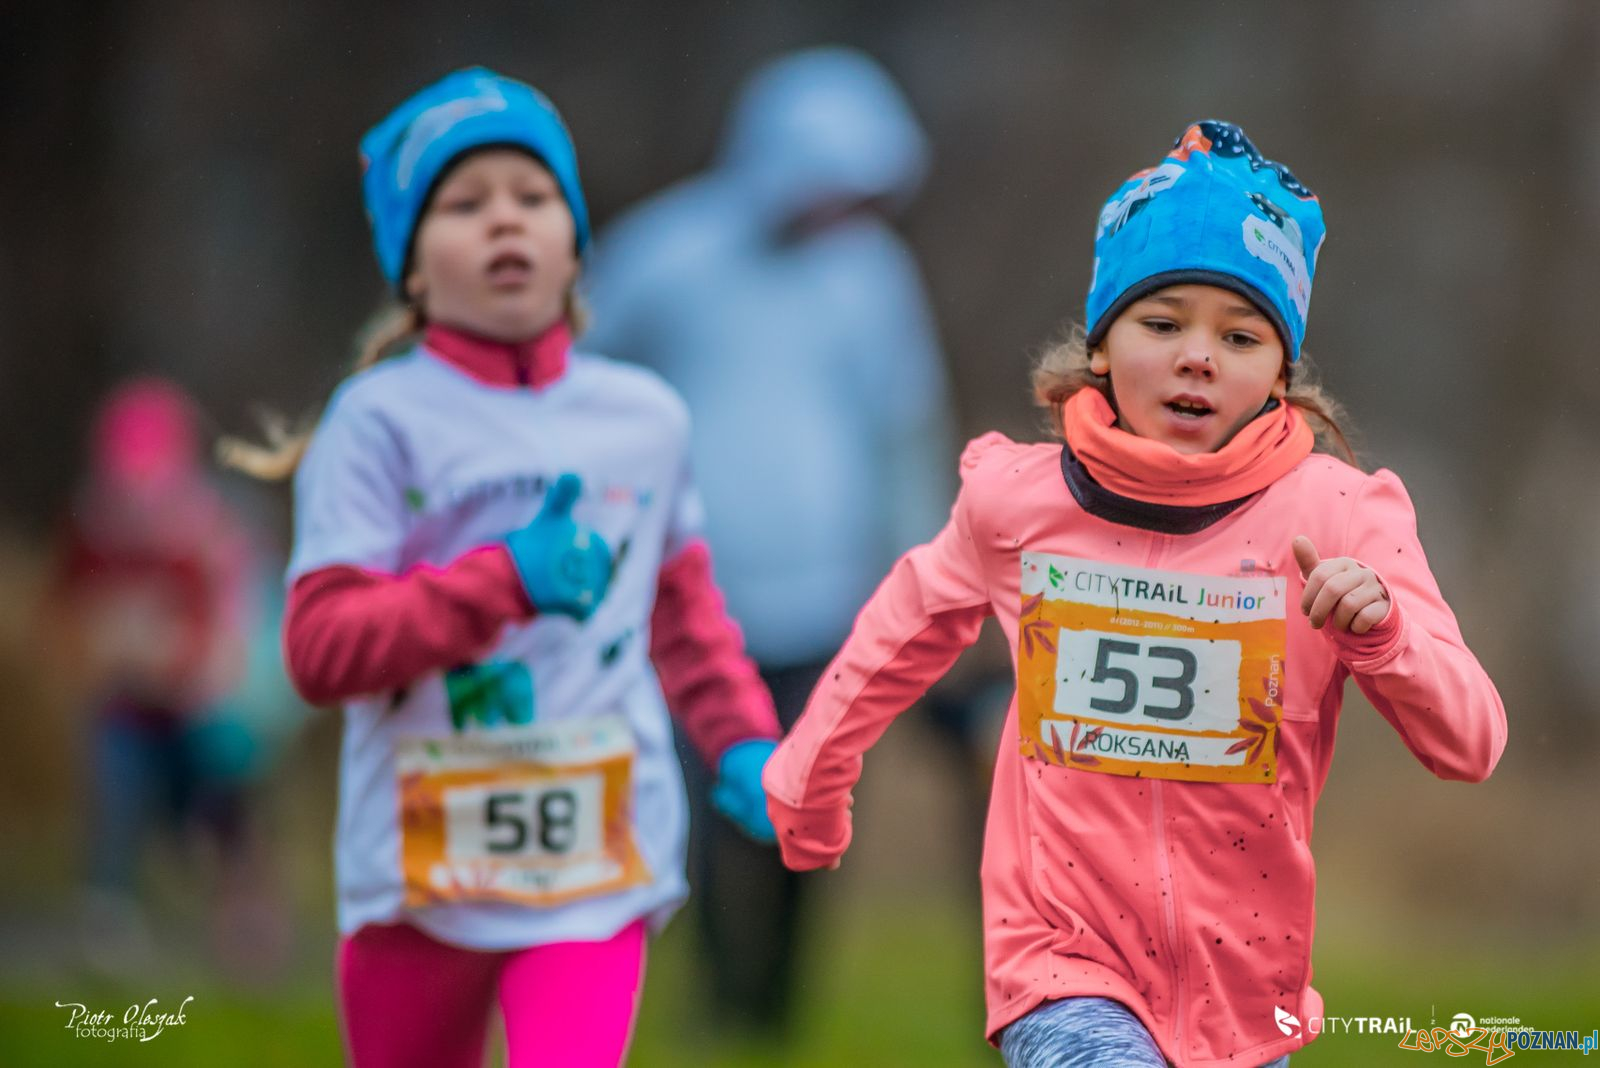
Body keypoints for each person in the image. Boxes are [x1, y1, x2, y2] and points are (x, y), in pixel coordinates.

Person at [762, 120, 1507, 1068]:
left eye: (1240, 335)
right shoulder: (1017, 505)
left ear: (1282, 372)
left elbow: (1472, 741)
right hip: (1058, 962)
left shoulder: (1339, 518)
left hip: (1247, 994)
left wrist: (1384, 636)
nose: (1199, 356)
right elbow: (901, 627)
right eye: (1163, 323)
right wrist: (809, 781)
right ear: (1102, 346)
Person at [221, 67, 780, 1067]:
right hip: (417, 872)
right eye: (464, 204)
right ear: (412, 265)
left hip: (593, 864)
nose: (504, 223)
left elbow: (685, 615)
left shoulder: (644, 419)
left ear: (574, 243)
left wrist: (742, 742)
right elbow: (318, 650)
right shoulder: (378, 423)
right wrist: (501, 582)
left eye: (533, 197)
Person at [581, 46, 964, 1036]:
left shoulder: (872, 277)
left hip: (828, 592)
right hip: (694, 589)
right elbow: (576, 373)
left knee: (813, 800)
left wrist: (924, 568)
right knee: (717, 791)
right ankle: (718, 996)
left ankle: (776, 1007)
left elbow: (901, 424)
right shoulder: (667, 255)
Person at [53, 378, 276, 978]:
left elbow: (233, 617)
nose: (140, 492)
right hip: (126, 705)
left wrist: (196, 659)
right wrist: (100, 643)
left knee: (220, 807)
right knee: (116, 800)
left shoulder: (204, 533)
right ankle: (110, 914)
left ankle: (242, 914)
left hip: (204, 708)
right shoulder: (94, 532)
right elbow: (68, 608)